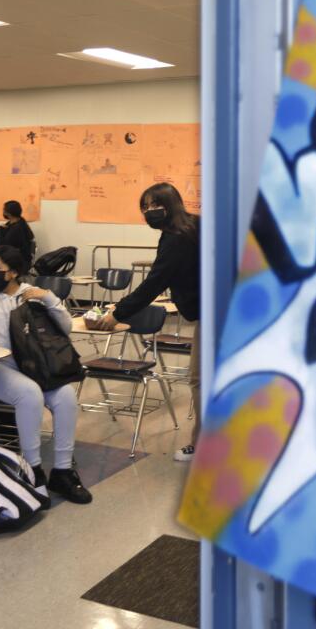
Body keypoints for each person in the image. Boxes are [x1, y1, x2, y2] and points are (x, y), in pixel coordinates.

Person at [0, 245, 92, 504]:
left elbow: (65, 329)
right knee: (29, 394)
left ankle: (63, 471)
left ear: (14, 273)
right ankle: (32, 470)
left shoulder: (29, 295)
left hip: (33, 368)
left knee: (65, 395)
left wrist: (49, 298)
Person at [96, 183, 200, 462]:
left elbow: (155, 282)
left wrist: (117, 312)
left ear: (172, 204)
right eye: (145, 207)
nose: (149, 212)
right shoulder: (194, 225)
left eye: (155, 205)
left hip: (218, 314)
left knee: (201, 379)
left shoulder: (177, 236)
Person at [0, 200, 35, 274]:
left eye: (4, 210)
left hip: (19, 262)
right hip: (18, 259)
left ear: (8, 213)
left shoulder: (17, 228)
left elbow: (3, 246)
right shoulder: (17, 222)